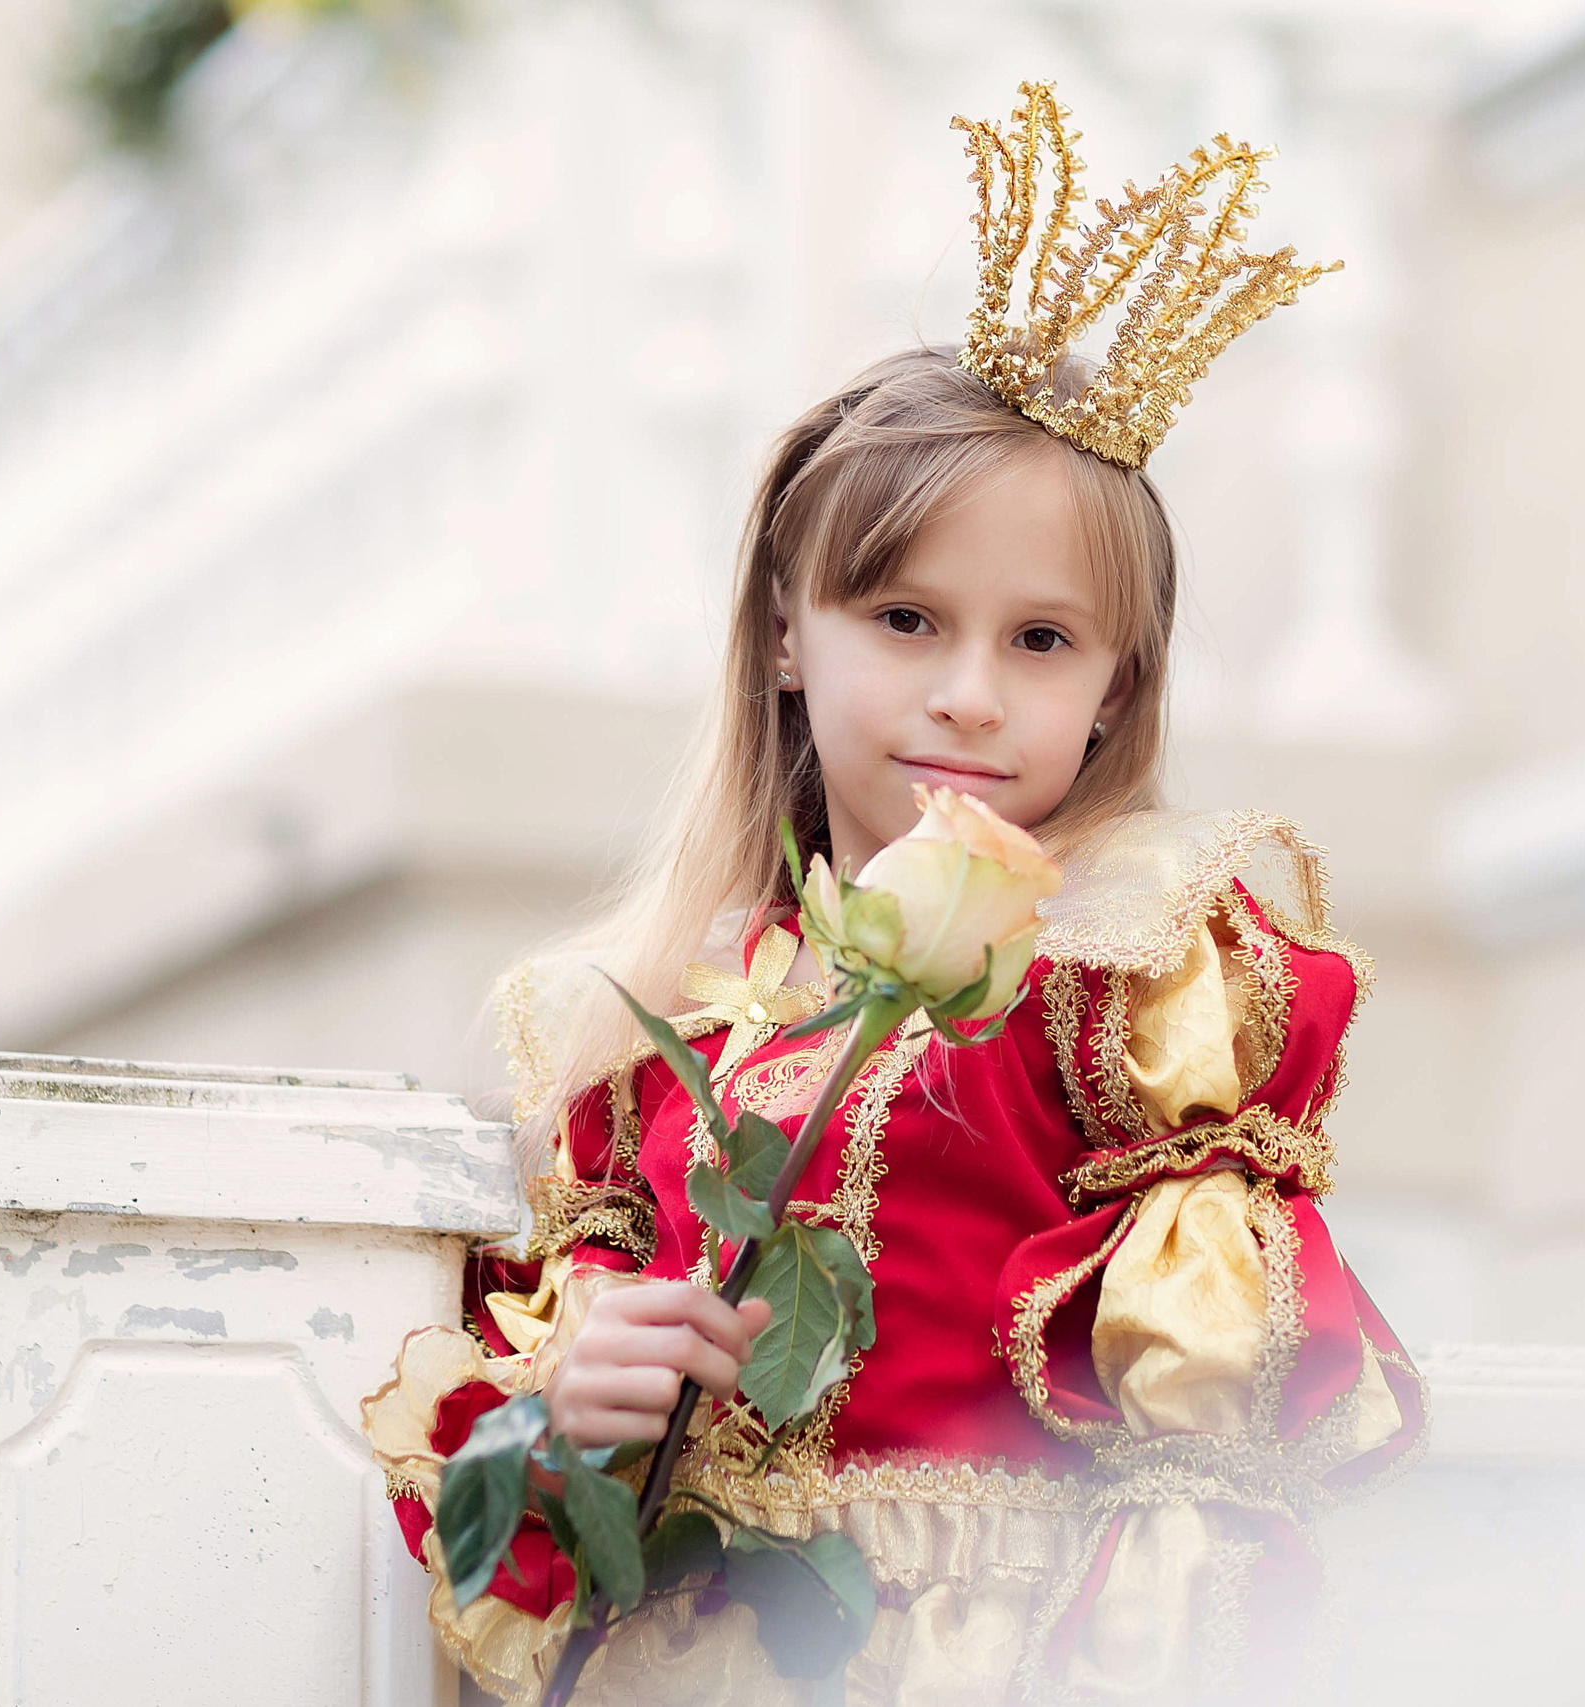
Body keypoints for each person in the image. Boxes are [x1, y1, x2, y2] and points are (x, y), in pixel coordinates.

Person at [360, 82, 1423, 1706]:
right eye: (907, 619)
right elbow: (506, 1511)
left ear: (1114, 690)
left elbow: (1200, 1446)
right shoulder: (633, 1025)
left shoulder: (1137, 983)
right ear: (789, 634)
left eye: (1040, 639)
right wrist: (565, 1402)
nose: (972, 695)